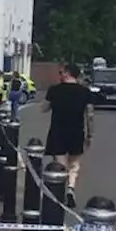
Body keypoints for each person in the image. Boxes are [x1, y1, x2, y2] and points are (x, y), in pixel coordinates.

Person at [42, 62, 94, 208]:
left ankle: (60, 192)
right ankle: (70, 188)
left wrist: (51, 101)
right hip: (77, 132)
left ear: (67, 73)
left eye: (61, 72)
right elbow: (89, 115)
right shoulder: (85, 92)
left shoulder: (54, 90)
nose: (59, 75)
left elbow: (43, 108)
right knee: (74, 164)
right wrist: (90, 135)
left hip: (57, 131)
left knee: (60, 164)